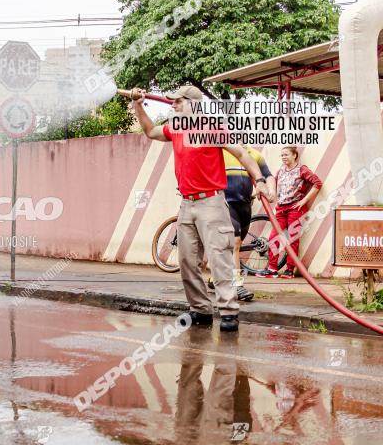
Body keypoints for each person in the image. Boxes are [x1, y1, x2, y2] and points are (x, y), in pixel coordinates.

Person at [131, 85, 273, 332]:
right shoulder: (175, 129)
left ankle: (228, 311)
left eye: (177, 102)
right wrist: (138, 105)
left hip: (212, 202)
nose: (172, 106)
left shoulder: (212, 128)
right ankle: (200, 310)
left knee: (220, 258)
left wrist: (259, 181)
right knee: (187, 260)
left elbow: (242, 154)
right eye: (172, 102)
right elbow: (151, 131)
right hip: (187, 203)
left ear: (193, 103)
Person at [207, 147, 275, 301]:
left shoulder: (253, 154)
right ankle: (237, 285)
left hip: (244, 206)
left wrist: (271, 191)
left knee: (234, 244)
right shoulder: (220, 151)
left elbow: (268, 175)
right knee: (235, 243)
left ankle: (214, 279)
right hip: (225, 203)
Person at [255, 146, 322, 279]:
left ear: (294, 156)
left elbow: (317, 183)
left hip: (295, 208)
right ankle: (272, 269)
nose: (284, 157)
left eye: (286, 155)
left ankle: (289, 270)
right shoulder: (281, 171)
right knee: (274, 238)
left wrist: (304, 201)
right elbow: (273, 184)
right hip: (281, 208)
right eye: (282, 155)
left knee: (292, 239)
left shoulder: (302, 170)